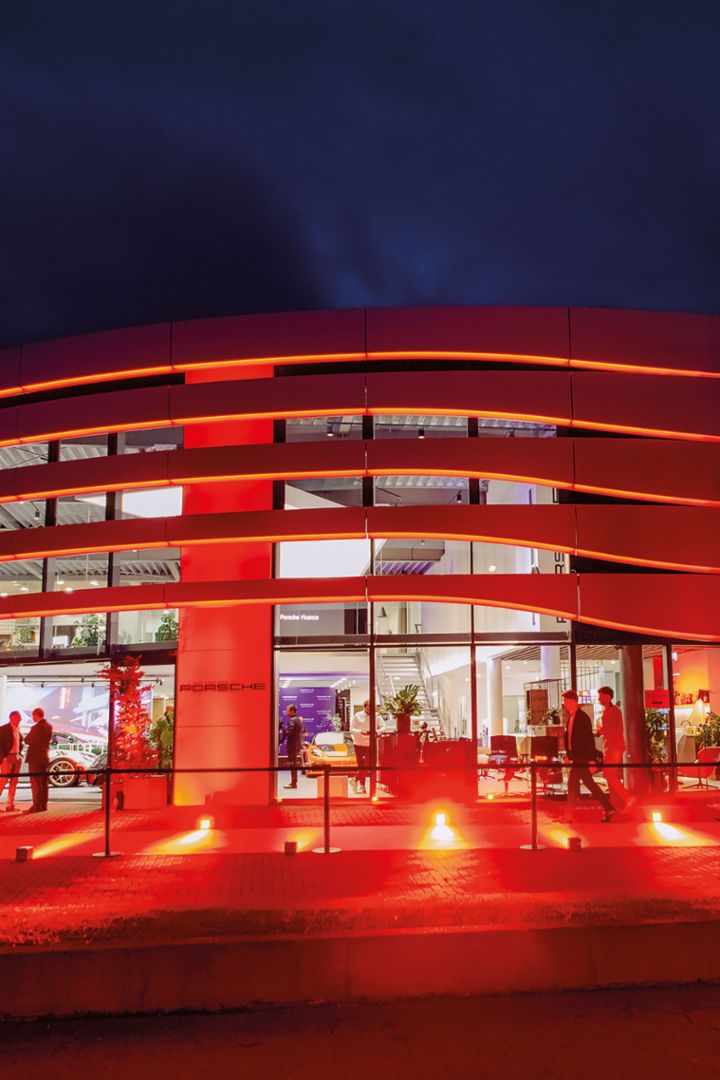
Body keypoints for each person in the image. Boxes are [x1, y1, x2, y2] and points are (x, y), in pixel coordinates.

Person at [562, 690, 615, 823]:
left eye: (566, 701)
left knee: (573, 785)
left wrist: (591, 760)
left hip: (581, 758)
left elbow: (588, 740)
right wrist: (569, 755)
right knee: (588, 784)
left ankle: (568, 816)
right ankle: (609, 808)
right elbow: (571, 739)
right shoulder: (572, 717)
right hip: (577, 757)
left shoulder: (582, 718)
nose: (564, 704)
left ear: (573, 701)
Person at [597, 685, 629, 810]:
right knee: (610, 775)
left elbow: (616, 730)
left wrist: (603, 731)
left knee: (609, 775)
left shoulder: (614, 711)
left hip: (613, 747)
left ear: (607, 697)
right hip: (611, 747)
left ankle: (625, 797)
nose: (599, 699)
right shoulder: (609, 711)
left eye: (601, 696)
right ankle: (616, 801)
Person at [350, 700, 384, 794]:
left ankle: (355, 779)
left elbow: (383, 727)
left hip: (370, 744)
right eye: (368, 708)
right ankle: (362, 786)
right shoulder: (357, 715)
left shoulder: (377, 716)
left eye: (371, 708)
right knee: (361, 765)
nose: (369, 710)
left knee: (368, 765)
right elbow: (351, 729)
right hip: (359, 743)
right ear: (364, 707)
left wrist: (376, 732)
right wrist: (360, 731)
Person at [24, 706, 53, 813]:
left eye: (33, 716)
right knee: (44, 782)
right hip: (44, 757)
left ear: (37, 715)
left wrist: (32, 742)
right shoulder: (49, 726)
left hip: (35, 758)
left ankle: (36, 806)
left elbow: (27, 740)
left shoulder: (36, 727)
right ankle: (43, 805)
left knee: (35, 782)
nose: (32, 718)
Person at [0, 711, 24, 812]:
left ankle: (10, 805)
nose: (20, 720)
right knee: (3, 780)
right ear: (12, 718)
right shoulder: (3, 729)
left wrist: (19, 754)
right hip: (7, 757)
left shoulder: (18, 728)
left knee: (14, 781)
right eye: (19, 718)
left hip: (16, 756)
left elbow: (20, 742)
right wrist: (3, 757)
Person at [281, 704, 304, 790]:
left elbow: (288, 733)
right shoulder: (299, 720)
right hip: (297, 745)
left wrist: (282, 726)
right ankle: (294, 782)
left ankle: (293, 783)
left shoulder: (292, 721)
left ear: (292, 711)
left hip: (292, 746)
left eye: (288, 711)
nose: (287, 712)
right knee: (293, 764)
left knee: (292, 765)